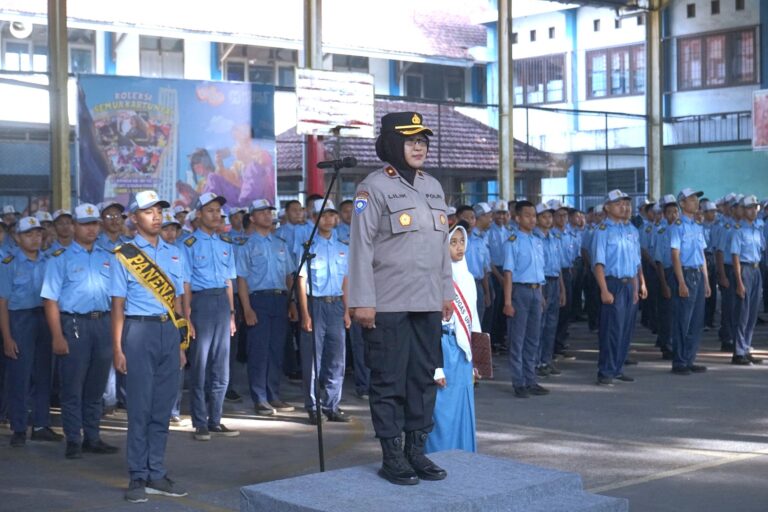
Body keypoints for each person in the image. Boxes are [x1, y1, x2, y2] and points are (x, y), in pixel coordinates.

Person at [348, 111, 452, 486]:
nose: (419, 147)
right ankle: (392, 457)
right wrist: (362, 300)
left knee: (423, 379)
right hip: (388, 303)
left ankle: (416, 452)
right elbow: (360, 248)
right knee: (389, 379)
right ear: (393, 144)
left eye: (422, 141)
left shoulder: (433, 187)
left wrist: (446, 292)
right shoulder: (372, 188)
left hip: (427, 302)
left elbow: (442, 248)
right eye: (410, 141)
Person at [111, 190, 188, 503]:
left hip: (168, 332)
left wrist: (180, 343)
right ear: (134, 218)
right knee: (140, 409)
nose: (156, 216)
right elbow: (117, 305)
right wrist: (118, 349)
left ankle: (156, 472)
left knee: (162, 408)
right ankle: (137, 476)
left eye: (159, 210)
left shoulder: (175, 253)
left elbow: (178, 301)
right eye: (148, 211)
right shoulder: (124, 254)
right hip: (139, 332)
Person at [41, 203, 118, 459]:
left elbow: (117, 297)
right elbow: (50, 300)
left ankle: (92, 437)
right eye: (85, 224)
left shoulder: (108, 256)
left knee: (96, 387)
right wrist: (57, 336)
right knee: (72, 386)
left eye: (94, 224)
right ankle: (74, 439)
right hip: (74, 325)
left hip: (102, 323)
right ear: (74, 226)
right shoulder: (60, 259)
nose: (91, 229)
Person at [0, 216, 62, 447]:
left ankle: (41, 425)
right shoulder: (9, 263)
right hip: (20, 319)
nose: (35, 238)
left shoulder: (49, 261)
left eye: (38, 233)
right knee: (20, 375)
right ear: (18, 238)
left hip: (45, 318)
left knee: (44, 374)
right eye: (29, 234)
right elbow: (2, 303)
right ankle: (18, 427)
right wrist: (7, 337)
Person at [182, 192, 239, 440]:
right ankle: (200, 421)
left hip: (222, 305)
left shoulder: (225, 242)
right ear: (198, 215)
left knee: (221, 366)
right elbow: (185, 283)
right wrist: (187, 317)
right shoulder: (188, 244)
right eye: (210, 211)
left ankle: (215, 419)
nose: (216, 215)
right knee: (201, 365)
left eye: (218, 211)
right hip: (201, 303)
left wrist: (232, 314)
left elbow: (228, 282)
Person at [236, 199, 297, 416]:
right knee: (259, 350)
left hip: (280, 300)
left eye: (269, 212)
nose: (267, 215)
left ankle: (274, 395)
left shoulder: (280, 244)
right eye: (261, 213)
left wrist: (292, 302)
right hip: (258, 301)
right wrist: (247, 309)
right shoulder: (246, 245)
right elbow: (242, 279)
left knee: (276, 350)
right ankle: (260, 398)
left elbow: (289, 276)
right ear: (252, 218)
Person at [297, 199, 351, 425]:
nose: (329, 219)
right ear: (314, 218)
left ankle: (332, 405)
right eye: (324, 215)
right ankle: (313, 406)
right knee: (313, 359)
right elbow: (301, 281)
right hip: (316, 304)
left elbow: (345, 281)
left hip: (336, 305)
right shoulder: (308, 247)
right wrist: (305, 314)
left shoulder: (343, 247)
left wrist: (346, 310)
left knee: (337, 359)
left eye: (332, 215)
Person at [425, 222, 477, 453]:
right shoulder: (434, 277)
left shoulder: (468, 277)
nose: (459, 247)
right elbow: (429, 324)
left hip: (463, 350)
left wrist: (477, 358)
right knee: (442, 408)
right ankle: (439, 456)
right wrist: (435, 367)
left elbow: (474, 318)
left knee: (462, 405)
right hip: (443, 347)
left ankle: (463, 455)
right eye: (453, 242)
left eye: (462, 241)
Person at [591, 190, 644, 386]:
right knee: (611, 329)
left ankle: (618, 367)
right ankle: (606, 370)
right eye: (619, 204)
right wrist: (604, 290)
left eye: (627, 204)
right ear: (607, 207)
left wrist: (637, 286)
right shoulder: (602, 230)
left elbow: (636, 261)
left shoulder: (632, 230)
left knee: (626, 329)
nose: (624, 207)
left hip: (629, 284)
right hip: (613, 283)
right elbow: (598, 263)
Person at [502, 201, 548, 398]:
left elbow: (539, 271)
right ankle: (519, 382)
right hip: (519, 291)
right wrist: (507, 302)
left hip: (536, 291)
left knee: (533, 339)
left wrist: (541, 295)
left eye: (534, 215)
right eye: (527, 215)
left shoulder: (537, 241)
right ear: (518, 218)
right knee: (518, 339)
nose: (532, 219)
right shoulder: (512, 241)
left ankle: (531, 379)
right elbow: (508, 273)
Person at [668, 188, 710, 375]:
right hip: (685, 273)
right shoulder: (677, 226)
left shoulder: (697, 226)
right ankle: (679, 361)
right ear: (682, 204)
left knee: (696, 321)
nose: (696, 202)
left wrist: (706, 281)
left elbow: (701, 255)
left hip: (698, 274)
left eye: (696, 199)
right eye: (691, 199)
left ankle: (689, 358)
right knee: (682, 320)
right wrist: (681, 282)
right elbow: (675, 255)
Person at [729, 194, 764, 365]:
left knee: (752, 312)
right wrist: (739, 282)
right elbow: (735, 257)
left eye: (755, 208)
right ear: (743, 210)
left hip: (756, 269)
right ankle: (738, 351)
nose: (753, 211)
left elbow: (761, 250)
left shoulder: (757, 229)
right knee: (742, 312)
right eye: (749, 208)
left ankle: (746, 347)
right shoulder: (738, 230)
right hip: (744, 269)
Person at [534, 203, 566, 377]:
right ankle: (536, 361)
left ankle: (546, 359)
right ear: (537, 219)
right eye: (544, 217)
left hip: (554, 282)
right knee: (539, 324)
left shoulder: (554, 238)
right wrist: (540, 293)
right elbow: (536, 267)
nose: (548, 220)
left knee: (552, 324)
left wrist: (562, 289)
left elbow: (558, 266)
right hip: (542, 283)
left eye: (550, 216)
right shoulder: (534, 238)